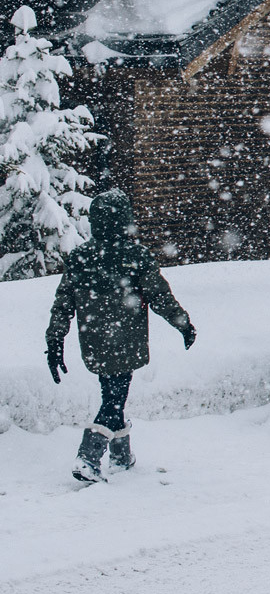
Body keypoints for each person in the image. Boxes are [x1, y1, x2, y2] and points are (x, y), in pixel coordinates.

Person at [45, 189, 197, 484]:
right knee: (114, 398)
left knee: (112, 394)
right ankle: (88, 459)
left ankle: (121, 456)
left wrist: (55, 341)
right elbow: (160, 296)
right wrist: (183, 323)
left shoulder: (80, 257)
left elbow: (63, 304)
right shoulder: (136, 256)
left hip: (94, 342)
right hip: (127, 341)